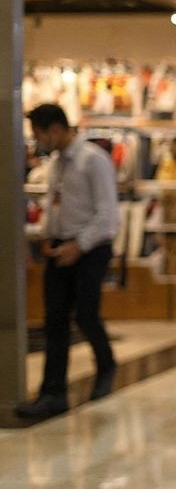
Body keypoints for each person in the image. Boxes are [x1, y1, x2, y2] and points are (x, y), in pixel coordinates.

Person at [16, 104, 120, 421]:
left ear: (57, 130)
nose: (38, 141)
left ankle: (106, 366)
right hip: (61, 248)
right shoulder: (58, 163)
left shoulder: (93, 160)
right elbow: (58, 205)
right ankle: (52, 392)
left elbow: (108, 216)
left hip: (91, 247)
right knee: (55, 320)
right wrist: (48, 234)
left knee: (86, 314)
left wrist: (79, 245)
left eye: (40, 134)